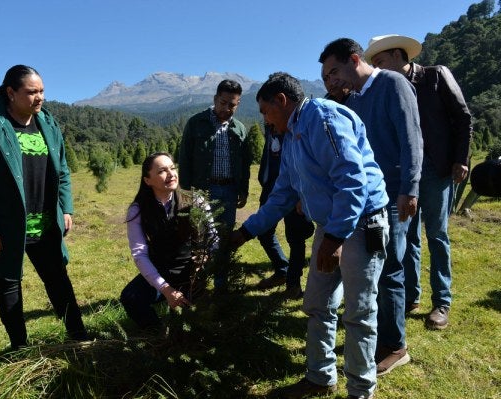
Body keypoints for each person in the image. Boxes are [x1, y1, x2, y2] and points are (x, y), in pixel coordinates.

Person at [232, 72, 389, 399]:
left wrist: (334, 239)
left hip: (360, 224)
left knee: (358, 313)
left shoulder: (323, 118)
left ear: (282, 101)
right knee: (317, 303)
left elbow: (352, 180)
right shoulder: (291, 138)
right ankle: (320, 377)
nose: (265, 120)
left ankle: (360, 391)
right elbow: (282, 194)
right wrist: (245, 232)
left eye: (265, 111)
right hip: (330, 227)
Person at [0, 65, 87, 349]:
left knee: (58, 279)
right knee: (8, 284)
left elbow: (63, 170)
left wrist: (65, 208)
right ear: (11, 92)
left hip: (44, 222)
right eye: (31, 92)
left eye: (42, 91)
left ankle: (78, 335)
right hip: (6, 224)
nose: (39, 97)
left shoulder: (48, 124)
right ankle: (20, 346)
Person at [320, 38, 423, 376]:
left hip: (394, 195)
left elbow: (412, 138)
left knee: (391, 265)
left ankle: (396, 346)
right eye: (327, 77)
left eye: (336, 71)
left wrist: (410, 188)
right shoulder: (354, 99)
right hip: (367, 196)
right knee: (372, 266)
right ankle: (375, 333)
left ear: (355, 59)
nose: (333, 81)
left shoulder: (392, 84)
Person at [365, 34, 472, 329]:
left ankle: (442, 302)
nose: (378, 69)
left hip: (437, 170)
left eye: (382, 62)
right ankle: (411, 295)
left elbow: (463, 117)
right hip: (403, 175)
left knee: (437, 235)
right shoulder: (386, 89)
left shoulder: (436, 77)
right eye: (374, 64)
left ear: (400, 56)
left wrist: (461, 158)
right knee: (408, 236)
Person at [120, 152, 217, 328]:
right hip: (160, 271)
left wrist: (206, 265)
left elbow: (213, 238)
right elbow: (139, 254)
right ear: (147, 180)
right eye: (162, 171)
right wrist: (165, 289)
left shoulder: (196, 200)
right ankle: (157, 333)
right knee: (130, 297)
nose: (171, 174)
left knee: (198, 323)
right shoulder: (138, 210)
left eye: (172, 168)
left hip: (191, 271)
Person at [178, 79, 251, 288]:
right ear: (215, 99)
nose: (226, 108)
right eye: (223, 102)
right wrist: (186, 195)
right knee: (198, 237)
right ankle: (195, 285)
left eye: (232, 105)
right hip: (203, 190)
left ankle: (221, 284)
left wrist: (243, 190)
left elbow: (245, 164)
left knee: (224, 238)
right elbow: (185, 160)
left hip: (229, 190)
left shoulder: (239, 129)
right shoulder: (196, 123)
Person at [254, 124, 314, 298]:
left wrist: (302, 194)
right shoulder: (269, 125)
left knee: (296, 238)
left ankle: (293, 284)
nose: (265, 116)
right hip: (270, 187)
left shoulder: (297, 126)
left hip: (294, 190)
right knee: (264, 232)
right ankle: (282, 270)